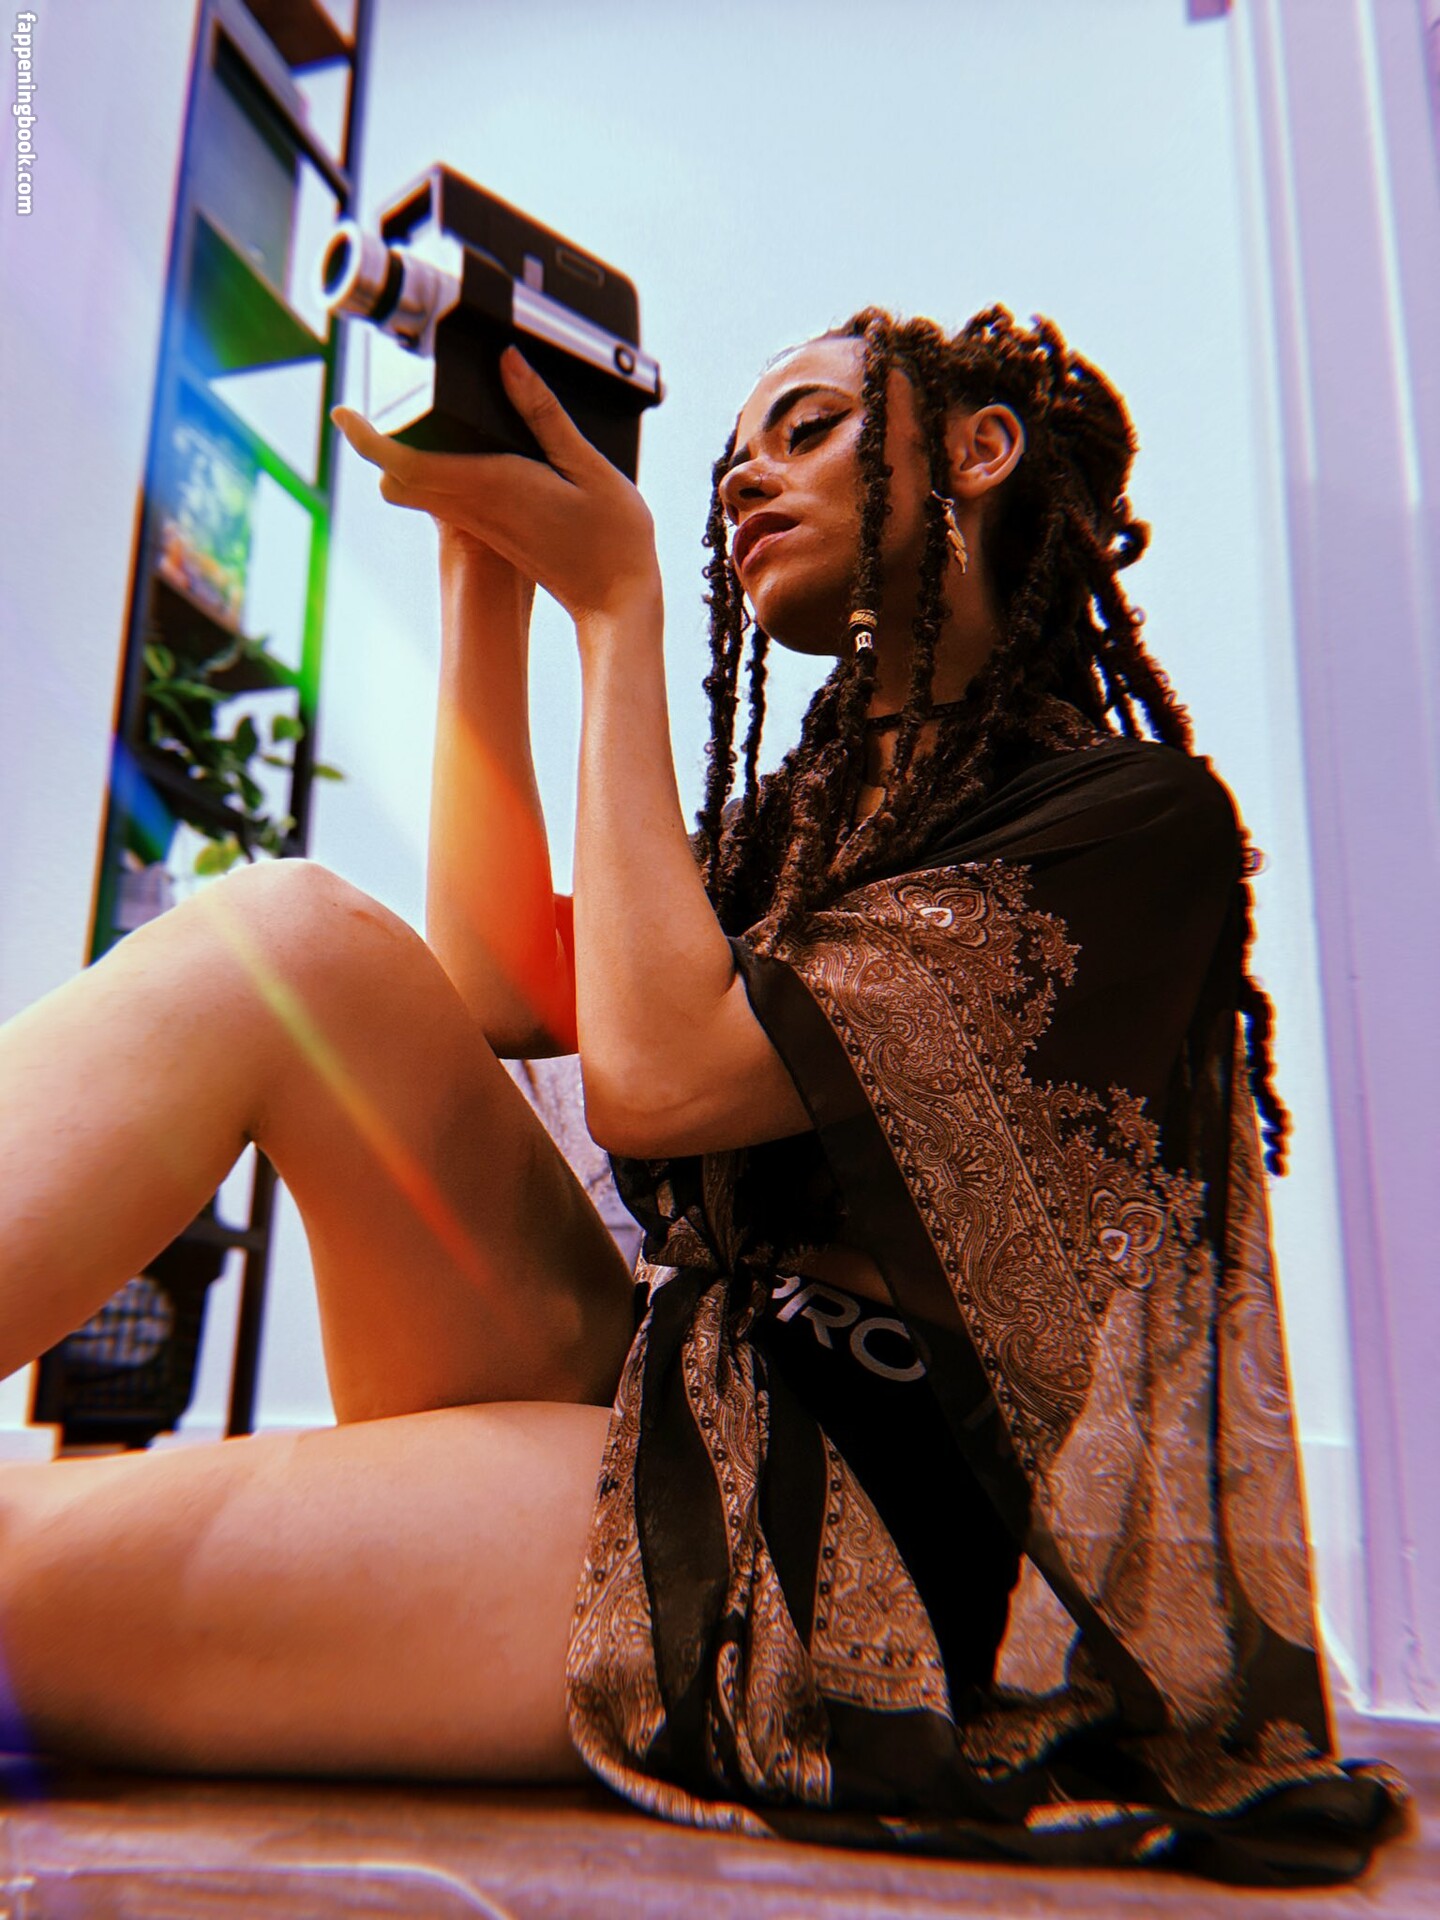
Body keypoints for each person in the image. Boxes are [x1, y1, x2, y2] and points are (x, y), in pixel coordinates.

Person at [0, 305, 1404, 1883]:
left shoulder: (1133, 823)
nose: (742, 479)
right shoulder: (788, 836)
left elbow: (656, 1086)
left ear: (979, 451)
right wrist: (485, 574)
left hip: (839, 1538)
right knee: (288, 939)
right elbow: (498, 994)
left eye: (806, 428)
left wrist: (618, 611)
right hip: (664, 1391)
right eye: (731, 456)